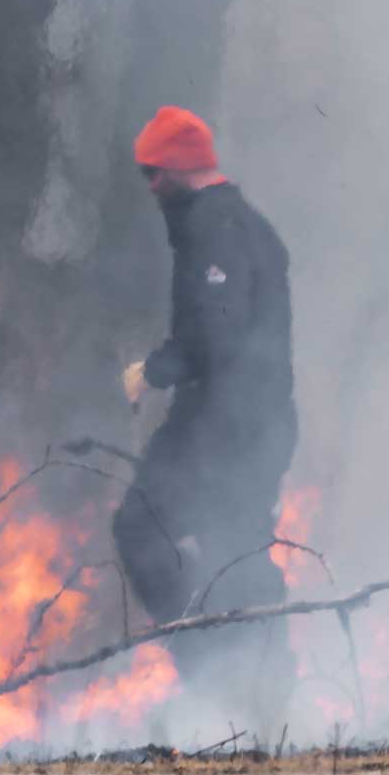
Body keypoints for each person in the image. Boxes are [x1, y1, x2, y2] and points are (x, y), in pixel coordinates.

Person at [110, 106, 298, 726]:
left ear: (170, 171)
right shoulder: (249, 226)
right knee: (236, 549)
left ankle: (215, 670)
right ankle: (257, 698)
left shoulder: (214, 230)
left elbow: (214, 336)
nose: (147, 188)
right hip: (254, 424)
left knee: (144, 528)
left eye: (149, 173)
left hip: (226, 428)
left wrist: (152, 370)